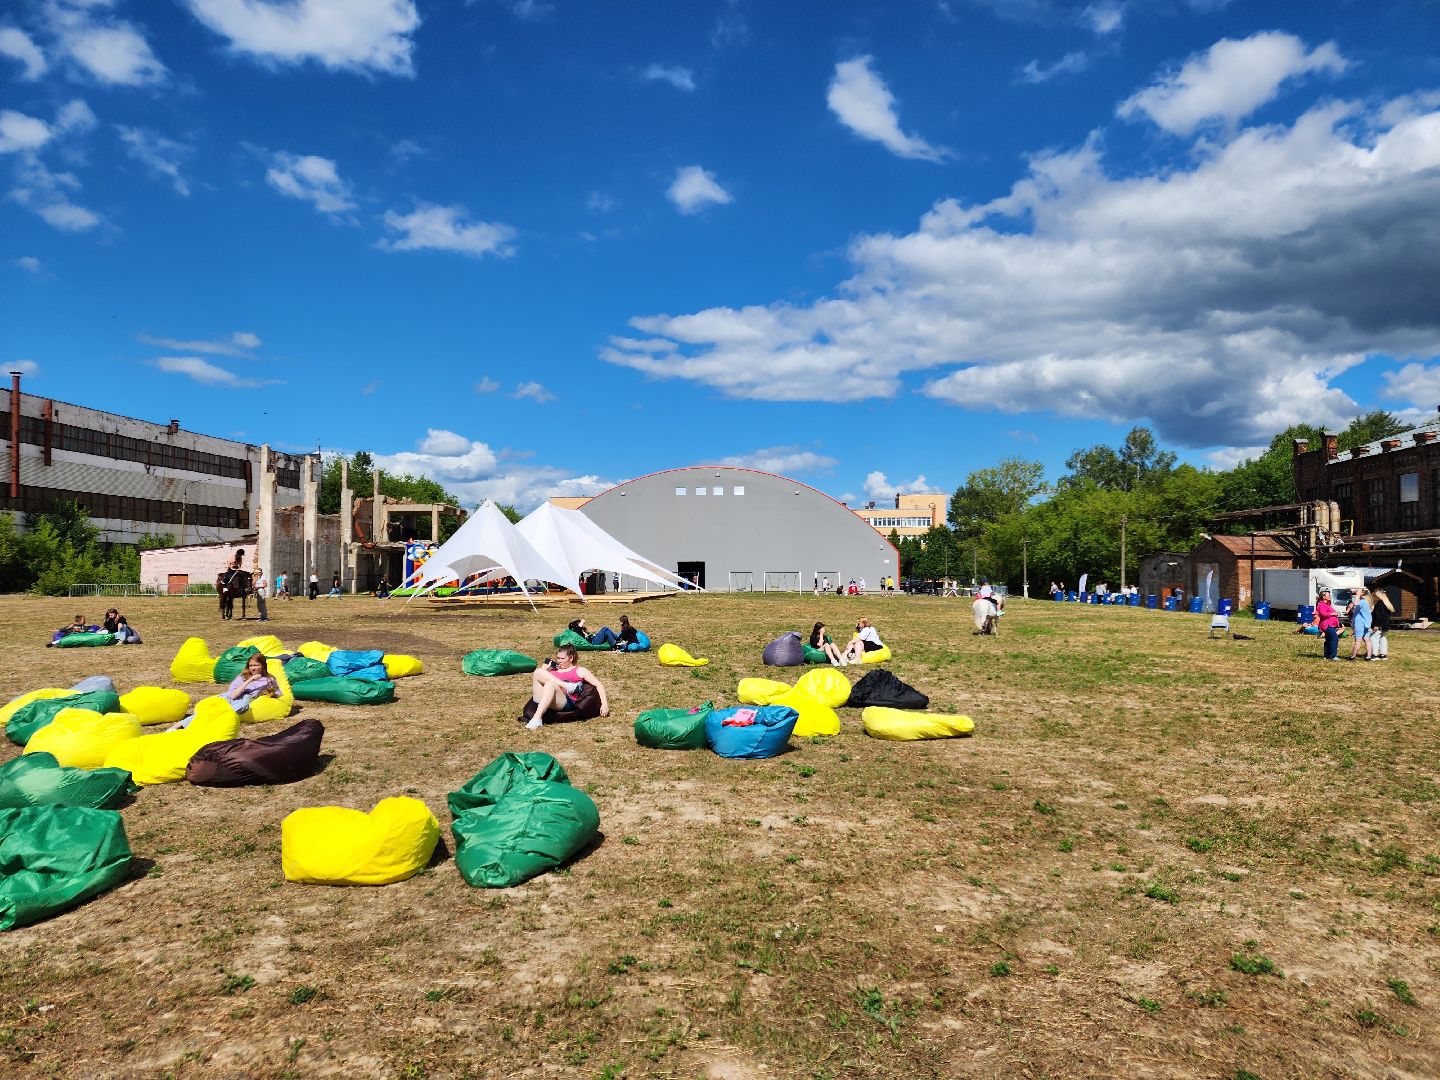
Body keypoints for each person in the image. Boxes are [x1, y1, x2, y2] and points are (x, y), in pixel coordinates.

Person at [525, 645, 608, 730]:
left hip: (565, 700)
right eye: (558, 658)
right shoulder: (552, 669)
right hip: (545, 697)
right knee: (538, 671)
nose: (559, 661)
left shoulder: (579, 670)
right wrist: (544, 669)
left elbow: (599, 685)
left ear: (571, 658)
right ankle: (566, 685)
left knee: (550, 684)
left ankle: (537, 718)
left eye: (562, 658)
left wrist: (604, 705)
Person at [1314, 588, 1341, 660]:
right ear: (1324, 597)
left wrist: (1336, 613)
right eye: (1328, 595)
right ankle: (1333, 656)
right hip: (1326, 625)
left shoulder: (1327, 605)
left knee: (1329, 639)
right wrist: (1333, 613)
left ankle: (1327, 655)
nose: (1330, 596)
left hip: (1330, 624)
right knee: (1334, 638)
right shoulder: (1322, 605)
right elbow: (1323, 614)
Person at [1346, 587, 1372, 660]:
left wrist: (1359, 593)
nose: (1356, 591)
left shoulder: (1362, 601)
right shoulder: (1366, 601)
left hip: (1360, 623)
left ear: (1362, 593)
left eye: (1358, 590)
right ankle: (1369, 656)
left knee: (1358, 641)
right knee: (1367, 639)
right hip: (1366, 623)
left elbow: (1356, 603)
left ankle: (1353, 656)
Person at [1368, 591, 1392, 659]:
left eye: (1376, 595)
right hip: (1385, 625)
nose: (1375, 597)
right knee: (1383, 638)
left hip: (1379, 625)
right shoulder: (1387, 603)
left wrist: (1376, 625)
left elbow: (1379, 616)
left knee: (1374, 638)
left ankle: (1374, 654)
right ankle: (1383, 654)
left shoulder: (1380, 604)